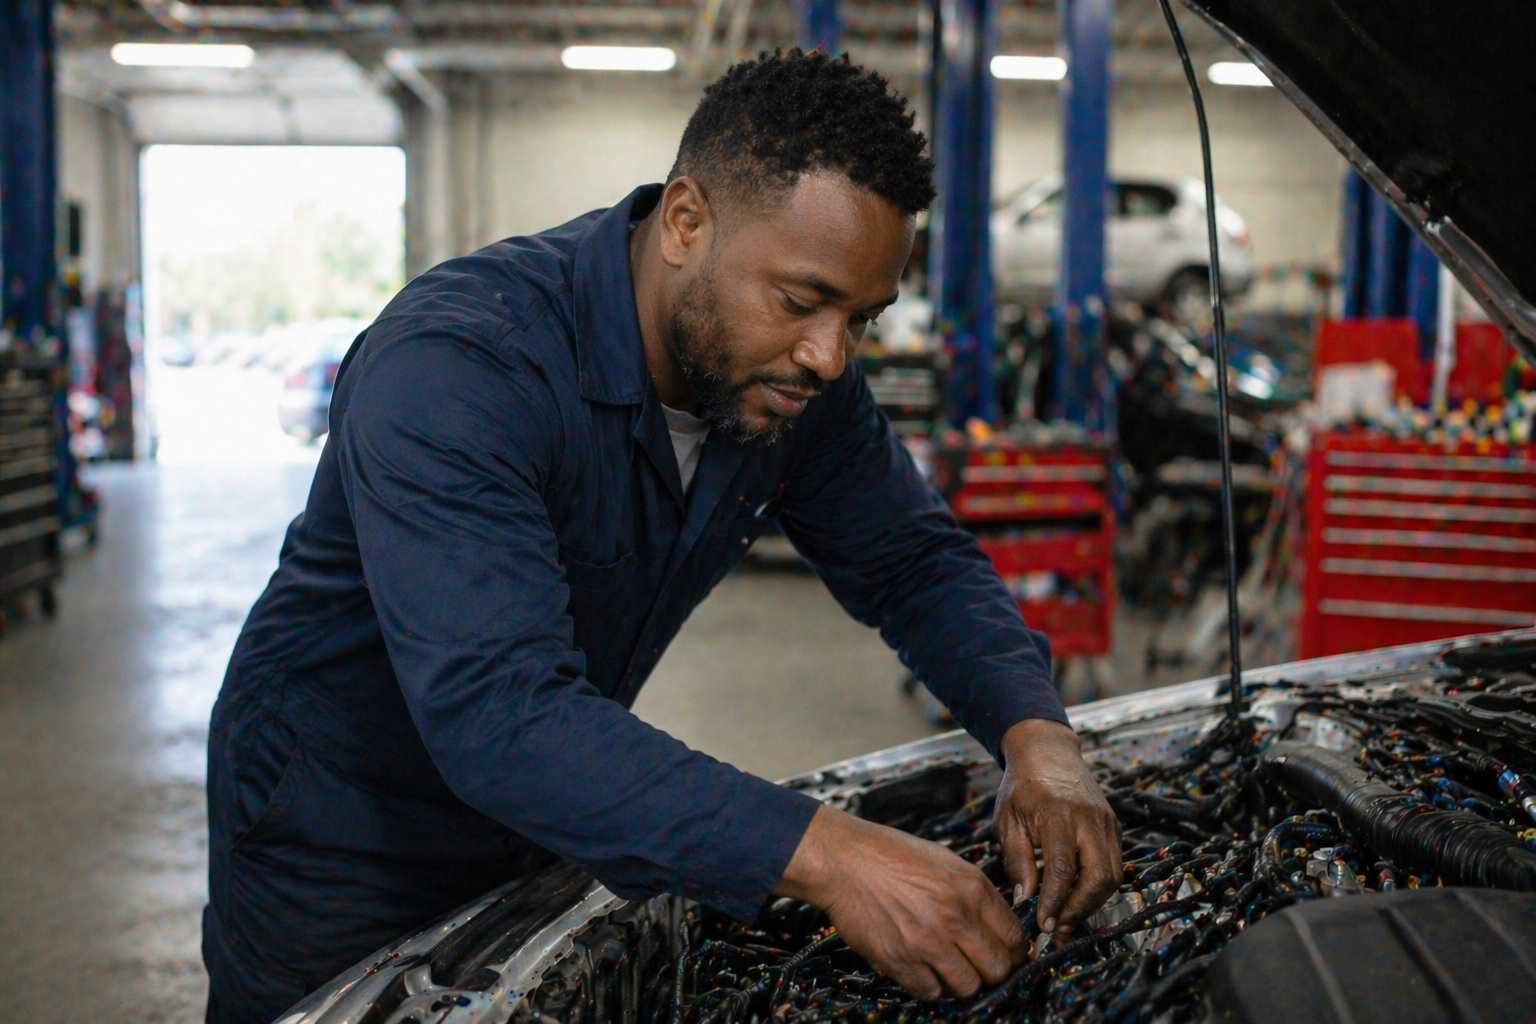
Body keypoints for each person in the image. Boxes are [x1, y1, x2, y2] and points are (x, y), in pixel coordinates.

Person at [203, 49, 1121, 1023]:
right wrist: (834, 855)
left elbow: (913, 561)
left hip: (544, 809)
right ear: (686, 222)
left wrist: (1038, 739)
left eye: (863, 317)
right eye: (803, 301)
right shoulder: (460, 364)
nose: (829, 355)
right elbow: (500, 711)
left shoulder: (792, 381)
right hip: (339, 828)